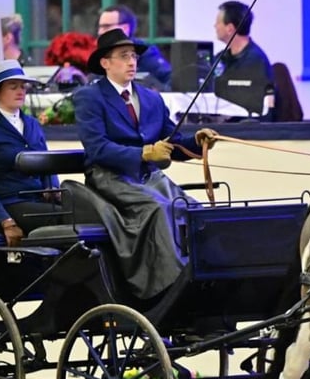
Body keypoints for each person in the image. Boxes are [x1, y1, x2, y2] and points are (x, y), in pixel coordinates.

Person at [72, 28, 217, 299]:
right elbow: (97, 148)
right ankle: (169, 287)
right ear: (105, 62)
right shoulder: (89, 98)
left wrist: (198, 141)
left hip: (151, 179)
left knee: (192, 208)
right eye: (124, 56)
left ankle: (205, 276)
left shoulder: (151, 98)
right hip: (110, 178)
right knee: (157, 209)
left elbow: (172, 140)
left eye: (134, 57)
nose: (131, 62)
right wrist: (143, 154)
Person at [0, 59, 61, 247]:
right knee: (62, 220)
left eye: (23, 86)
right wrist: (5, 221)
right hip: (6, 203)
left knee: (84, 212)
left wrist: (53, 189)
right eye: (13, 86)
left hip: (35, 200)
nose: (21, 91)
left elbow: (48, 166)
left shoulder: (32, 124)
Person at [213, 0, 274, 117]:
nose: (214, 26)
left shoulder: (256, 61)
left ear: (230, 28)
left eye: (218, 22)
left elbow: (259, 106)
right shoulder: (221, 58)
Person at [97, 4, 172, 90]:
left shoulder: (144, 52)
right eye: (100, 27)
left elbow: (170, 79)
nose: (100, 32)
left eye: (106, 27)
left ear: (125, 29)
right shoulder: (101, 53)